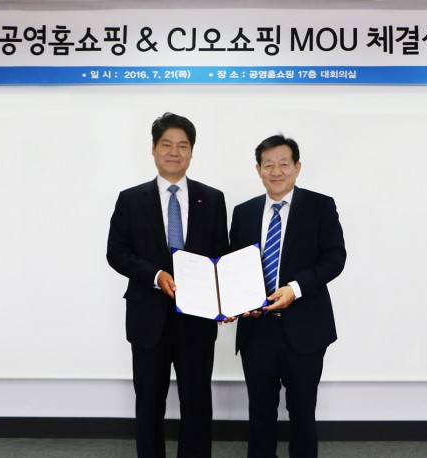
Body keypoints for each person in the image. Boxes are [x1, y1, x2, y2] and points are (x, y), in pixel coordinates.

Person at [106, 112, 229, 458]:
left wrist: (225, 299)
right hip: (148, 319)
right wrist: (156, 276)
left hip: (197, 319)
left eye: (182, 146)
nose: (174, 152)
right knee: (149, 404)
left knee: (197, 404)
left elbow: (221, 255)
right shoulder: (131, 199)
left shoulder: (212, 198)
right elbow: (117, 252)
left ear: (191, 151)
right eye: (167, 145)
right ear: (153, 148)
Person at [229, 134, 346, 458]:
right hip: (257, 329)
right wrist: (238, 302)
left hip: (305, 328)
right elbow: (233, 265)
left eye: (283, 164)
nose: (276, 171)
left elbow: (335, 258)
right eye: (268, 165)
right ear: (258, 169)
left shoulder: (320, 206)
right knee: (260, 413)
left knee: (303, 412)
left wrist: (295, 288)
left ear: (297, 167)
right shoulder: (244, 212)